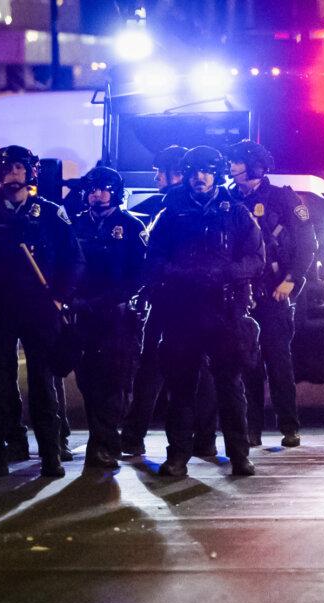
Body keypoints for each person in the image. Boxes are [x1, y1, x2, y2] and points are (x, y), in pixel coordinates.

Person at [0, 146, 83, 478]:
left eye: (17, 168)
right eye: (3, 170)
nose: (11, 175)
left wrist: (60, 298)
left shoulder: (52, 214)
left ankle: (52, 454)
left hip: (40, 306)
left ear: (29, 173)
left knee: (44, 381)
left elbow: (74, 260)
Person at [144, 146, 263, 477]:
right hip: (183, 310)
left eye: (207, 171)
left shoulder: (236, 213)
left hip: (224, 311)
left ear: (217, 174)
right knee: (180, 388)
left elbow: (256, 259)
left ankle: (239, 456)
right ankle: (178, 457)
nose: (200, 177)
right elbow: (153, 260)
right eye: (195, 171)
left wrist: (225, 274)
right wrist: (180, 275)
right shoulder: (170, 215)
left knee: (230, 386)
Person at [121, 146, 218, 458]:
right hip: (195, 302)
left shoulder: (171, 209)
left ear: (177, 174)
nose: (157, 178)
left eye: (161, 171)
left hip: (171, 302)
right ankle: (204, 439)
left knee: (153, 369)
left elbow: (155, 258)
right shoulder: (201, 205)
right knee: (201, 373)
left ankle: (134, 436)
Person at [226, 140, 317, 448]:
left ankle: (289, 426)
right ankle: (252, 429)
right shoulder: (228, 200)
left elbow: (307, 244)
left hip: (275, 292)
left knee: (279, 361)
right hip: (241, 294)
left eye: (237, 162)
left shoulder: (283, 198)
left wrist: (291, 280)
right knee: (246, 360)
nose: (231, 167)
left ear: (253, 166)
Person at [71, 166, 148, 469]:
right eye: (92, 189)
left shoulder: (130, 226)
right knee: (88, 381)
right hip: (84, 314)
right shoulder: (76, 226)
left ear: (114, 192)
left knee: (115, 381)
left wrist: (110, 300)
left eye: (103, 188)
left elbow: (141, 273)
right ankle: (101, 441)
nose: (97, 194)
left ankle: (104, 444)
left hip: (118, 315)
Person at [130, 145, 188, 219]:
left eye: (161, 171)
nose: (156, 178)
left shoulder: (156, 202)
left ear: (180, 173)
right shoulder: (203, 205)